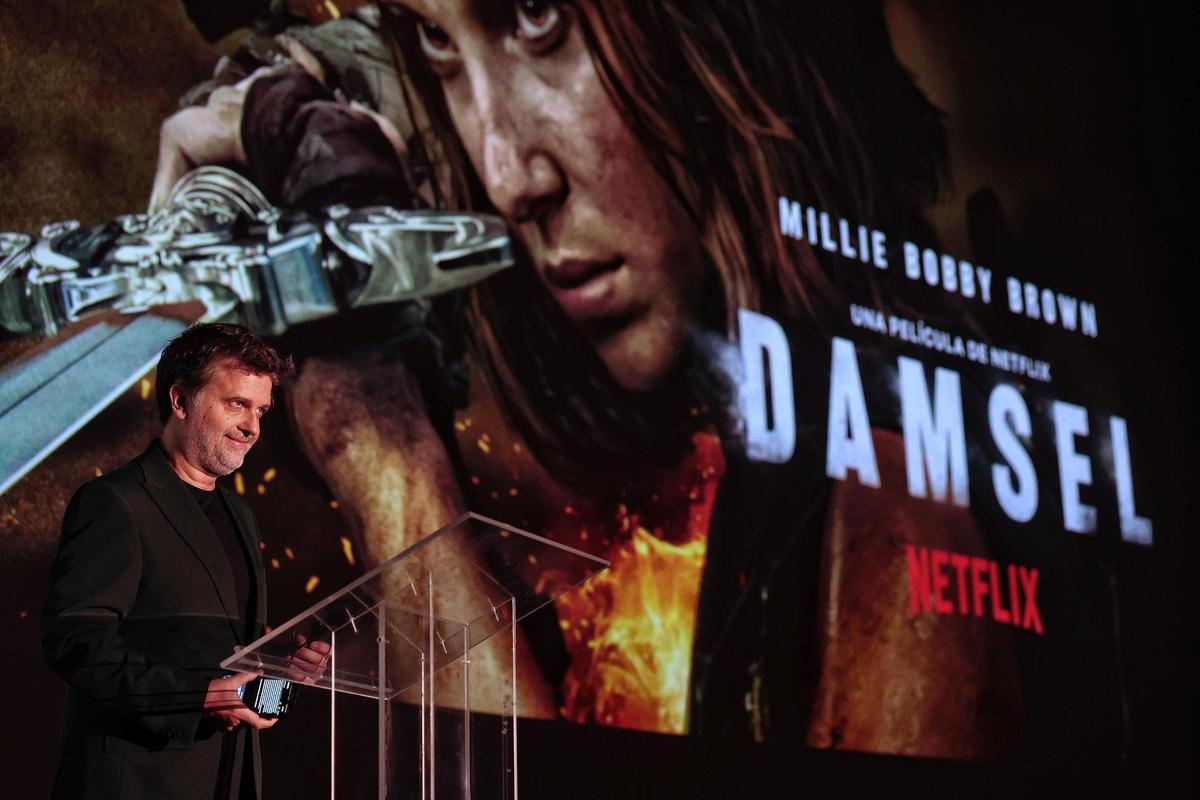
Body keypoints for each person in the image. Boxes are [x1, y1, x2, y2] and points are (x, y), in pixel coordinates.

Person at [152, 0, 1023, 758]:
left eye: (539, 15)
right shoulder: (751, 442)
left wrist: (383, 463)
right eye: (437, 41)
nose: (508, 176)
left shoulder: (901, 488)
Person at [41, 322, 321, 800]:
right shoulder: (115, 501)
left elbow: (214, 643)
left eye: (260, 410)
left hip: (228, 776)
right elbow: (75, 641)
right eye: (236, 403)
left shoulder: (239, 514)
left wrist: (281, 661)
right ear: (180, 399)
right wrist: (201, 696)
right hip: (137, 782)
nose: (252, 427)